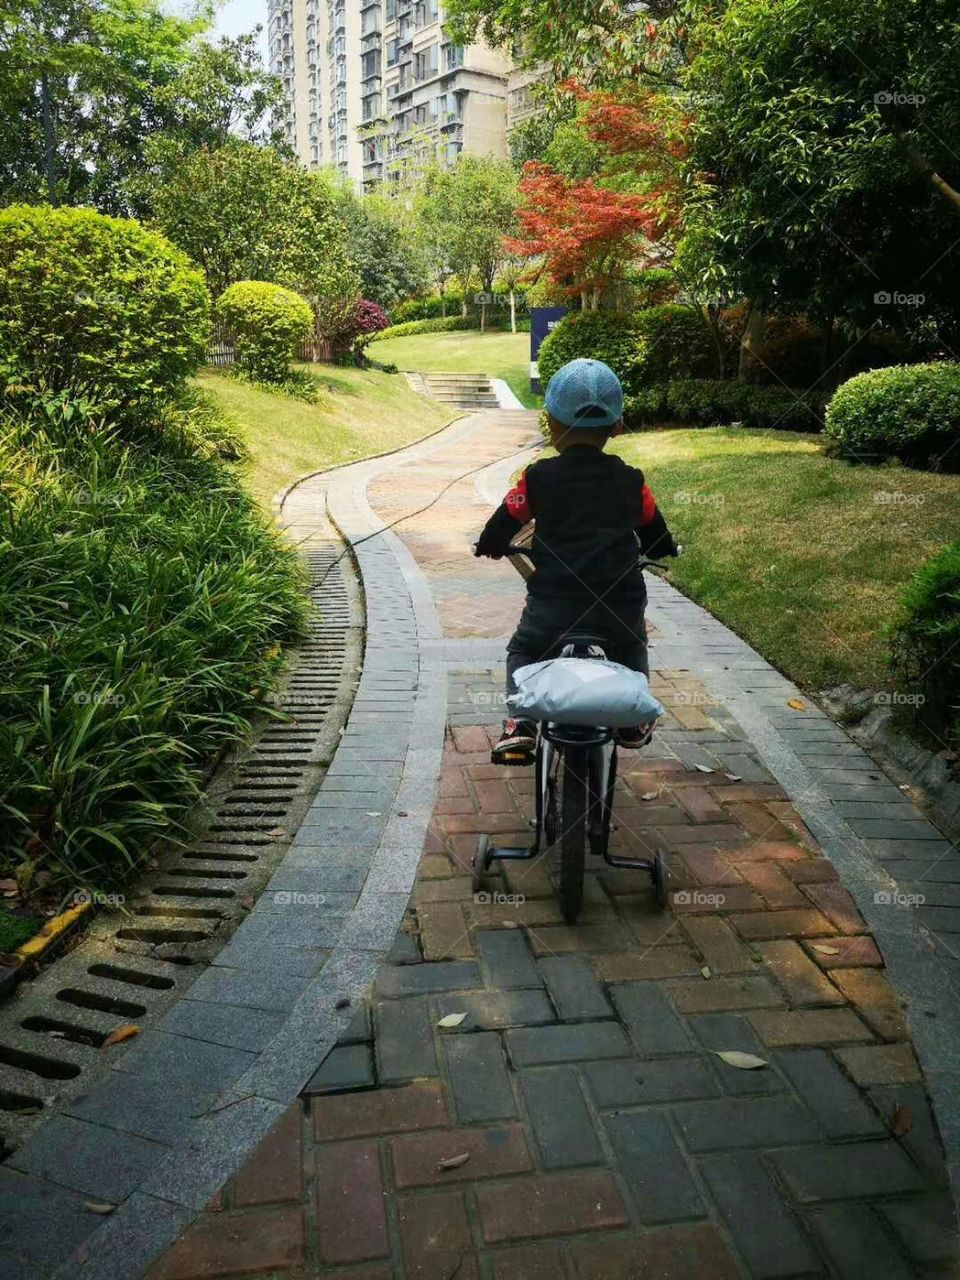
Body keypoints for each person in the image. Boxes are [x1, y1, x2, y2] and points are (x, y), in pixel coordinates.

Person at [474, 357, 678, 765]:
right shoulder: (632, 481)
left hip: (554, 604)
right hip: (618, 603)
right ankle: (631, 719)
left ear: (550, 424)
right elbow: (654, 532)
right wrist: (663, 549)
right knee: (632, 645)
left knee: (524, 650)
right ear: (617, 426)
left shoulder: (537, 478)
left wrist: (490, 543)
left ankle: (522, 723)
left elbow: (507, 516)